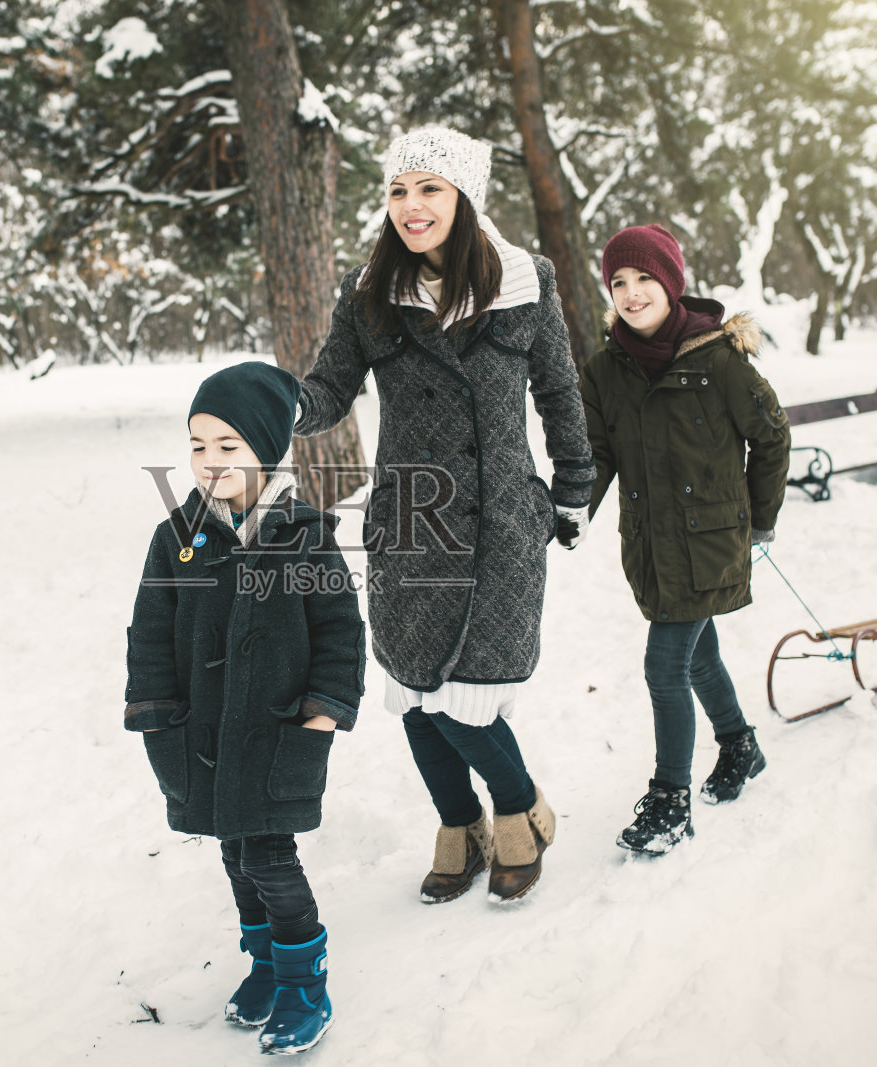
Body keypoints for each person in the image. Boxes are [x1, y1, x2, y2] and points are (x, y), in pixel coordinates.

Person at [295, 127, 595, 904]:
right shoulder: (370, 295)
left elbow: (559, 392)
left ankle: (521, 809)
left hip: (498, 522)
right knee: (414, 692)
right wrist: (276, 407)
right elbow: (328, 389)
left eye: (428, 188)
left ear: (463, 196)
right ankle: (459, 824)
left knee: (465, 697)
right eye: (398, 190)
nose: (411, 206)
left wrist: (572, 487)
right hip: (412, 520)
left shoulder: (525, 283)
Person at [124, 361, 365, 1055]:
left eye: (227, 445)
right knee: (234, 853)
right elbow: (150, 633)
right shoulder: (177, 536)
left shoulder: (304, 535)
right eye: (197, 445)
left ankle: (304, 980)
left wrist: (323, 712)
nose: (208, 461)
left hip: (280, 730)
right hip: (200, 736)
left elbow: (341, 631)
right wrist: (154, 715)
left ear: (264, 446)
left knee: (268, 855)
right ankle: (264, 964)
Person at [579, 224, 792, 855]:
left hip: (711, 541)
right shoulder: (603, 370)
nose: (632, 292)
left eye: (645, 278)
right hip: (650, 544)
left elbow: (772, 436)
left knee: (665, 666)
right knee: (698, 655)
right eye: (619, 282)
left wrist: (760, 517)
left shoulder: (718, 359)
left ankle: (670, 801)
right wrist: (568, 512)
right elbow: (596, 456)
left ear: (671, 284)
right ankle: (740, 744)